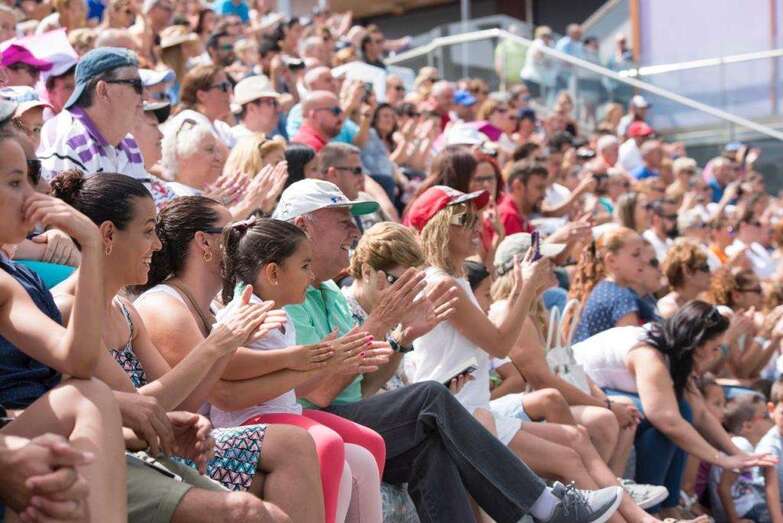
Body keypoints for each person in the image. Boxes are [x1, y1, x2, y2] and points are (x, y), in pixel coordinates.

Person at [272, 178, 625, 523]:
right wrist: (380, 324)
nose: (354, 229)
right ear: (303, 225)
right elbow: (321, 392)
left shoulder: (330, 292)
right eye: (342, 220)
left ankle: (546, 509)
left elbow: (360, 389)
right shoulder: (287, 293)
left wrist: (400, 341)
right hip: (313, 423)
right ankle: (546, 506)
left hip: (356, 415)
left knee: (432, 448)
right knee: (431, 397)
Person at [50, 172, 314, 521]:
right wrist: (218, 343)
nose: (158, 246)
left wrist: (225, 345)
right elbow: (139, 406)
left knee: (286, 479)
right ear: (109, 235)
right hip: (111, 456)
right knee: (283, 462)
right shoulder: (67, 310)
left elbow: (181, 402)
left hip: (153, 445)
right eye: (148, 232)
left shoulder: (126, 311)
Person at [408, 188, 665, 523]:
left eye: (476, 217)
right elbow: (499, 345)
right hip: (459, 418)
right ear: (439, 227)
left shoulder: (455, 279)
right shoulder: (443, 284)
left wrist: (520, 290)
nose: (476, 225)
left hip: (472, 410)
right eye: (464, 218)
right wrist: (526, 290)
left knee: (575, 438)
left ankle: (642, 520)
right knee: (567, 457)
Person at [214, 216, 386, 523]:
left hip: (283, 413)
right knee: (329, 444)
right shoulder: (245, 310)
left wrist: (332, 362)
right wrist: (299, 357)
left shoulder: (282, 313)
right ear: (273, 273)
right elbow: (225, 362)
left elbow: (291, 389)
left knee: (370, 444)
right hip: (247, 422)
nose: (312, 275)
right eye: (305, 266)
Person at [0, 132, 125, 522]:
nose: (32, 196)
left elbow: (78, 361)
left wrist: (90, 244)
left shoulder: (6, 282)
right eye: (15, 182)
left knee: (88, 395)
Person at [573, 301, 777, 519]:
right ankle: (652, 510)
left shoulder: (676, 352)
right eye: (715, 348)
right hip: (577, 386)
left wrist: (739, 455)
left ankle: (668, 505)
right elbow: (666, 419)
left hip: (606, 389)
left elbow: (700, 414)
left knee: (684, 411)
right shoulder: (649, 354)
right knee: (665, 417)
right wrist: (721, 459)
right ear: (697, 343)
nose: (716, 355)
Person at [39, 46, 177, 206]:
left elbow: (144, 213)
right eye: (136, 85)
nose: (145, 96)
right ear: (103, 90)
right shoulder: (71, 149)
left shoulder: (129, 144)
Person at [571, 227, 656, 343]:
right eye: (636, 254)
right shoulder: (621, 298)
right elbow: (631, 347)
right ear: (612, 260)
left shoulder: (608, 289)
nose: (645, 260)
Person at [708, 395, 780, 523]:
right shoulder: (741, 445)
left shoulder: (743, 445)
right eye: (765, 416)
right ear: (748, 426)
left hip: (749, 509)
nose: (771, 418)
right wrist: (735, 520)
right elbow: (723, 487)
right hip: (744, 513)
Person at [174, 63, 236, 147]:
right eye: (224, 86)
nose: (230, 92)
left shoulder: (221, 127)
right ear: (201, 95)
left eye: (229, 85)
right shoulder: (190, 126)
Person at [658, 239, 712, 318]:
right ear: (687, 271)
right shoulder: (669, 309)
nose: (710, 273)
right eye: (705, 268)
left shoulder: (704, 303)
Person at [498, 159, 548, 235]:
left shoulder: (521, 215)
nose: (544, 194)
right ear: (518, 186)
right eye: (539, 188)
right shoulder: (509, 216)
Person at [231, 75, 281, 140]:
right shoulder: (233, 141)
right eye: (270, 102)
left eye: (275, 102)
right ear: (251, 109)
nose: (278, 109)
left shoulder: (271, 138)